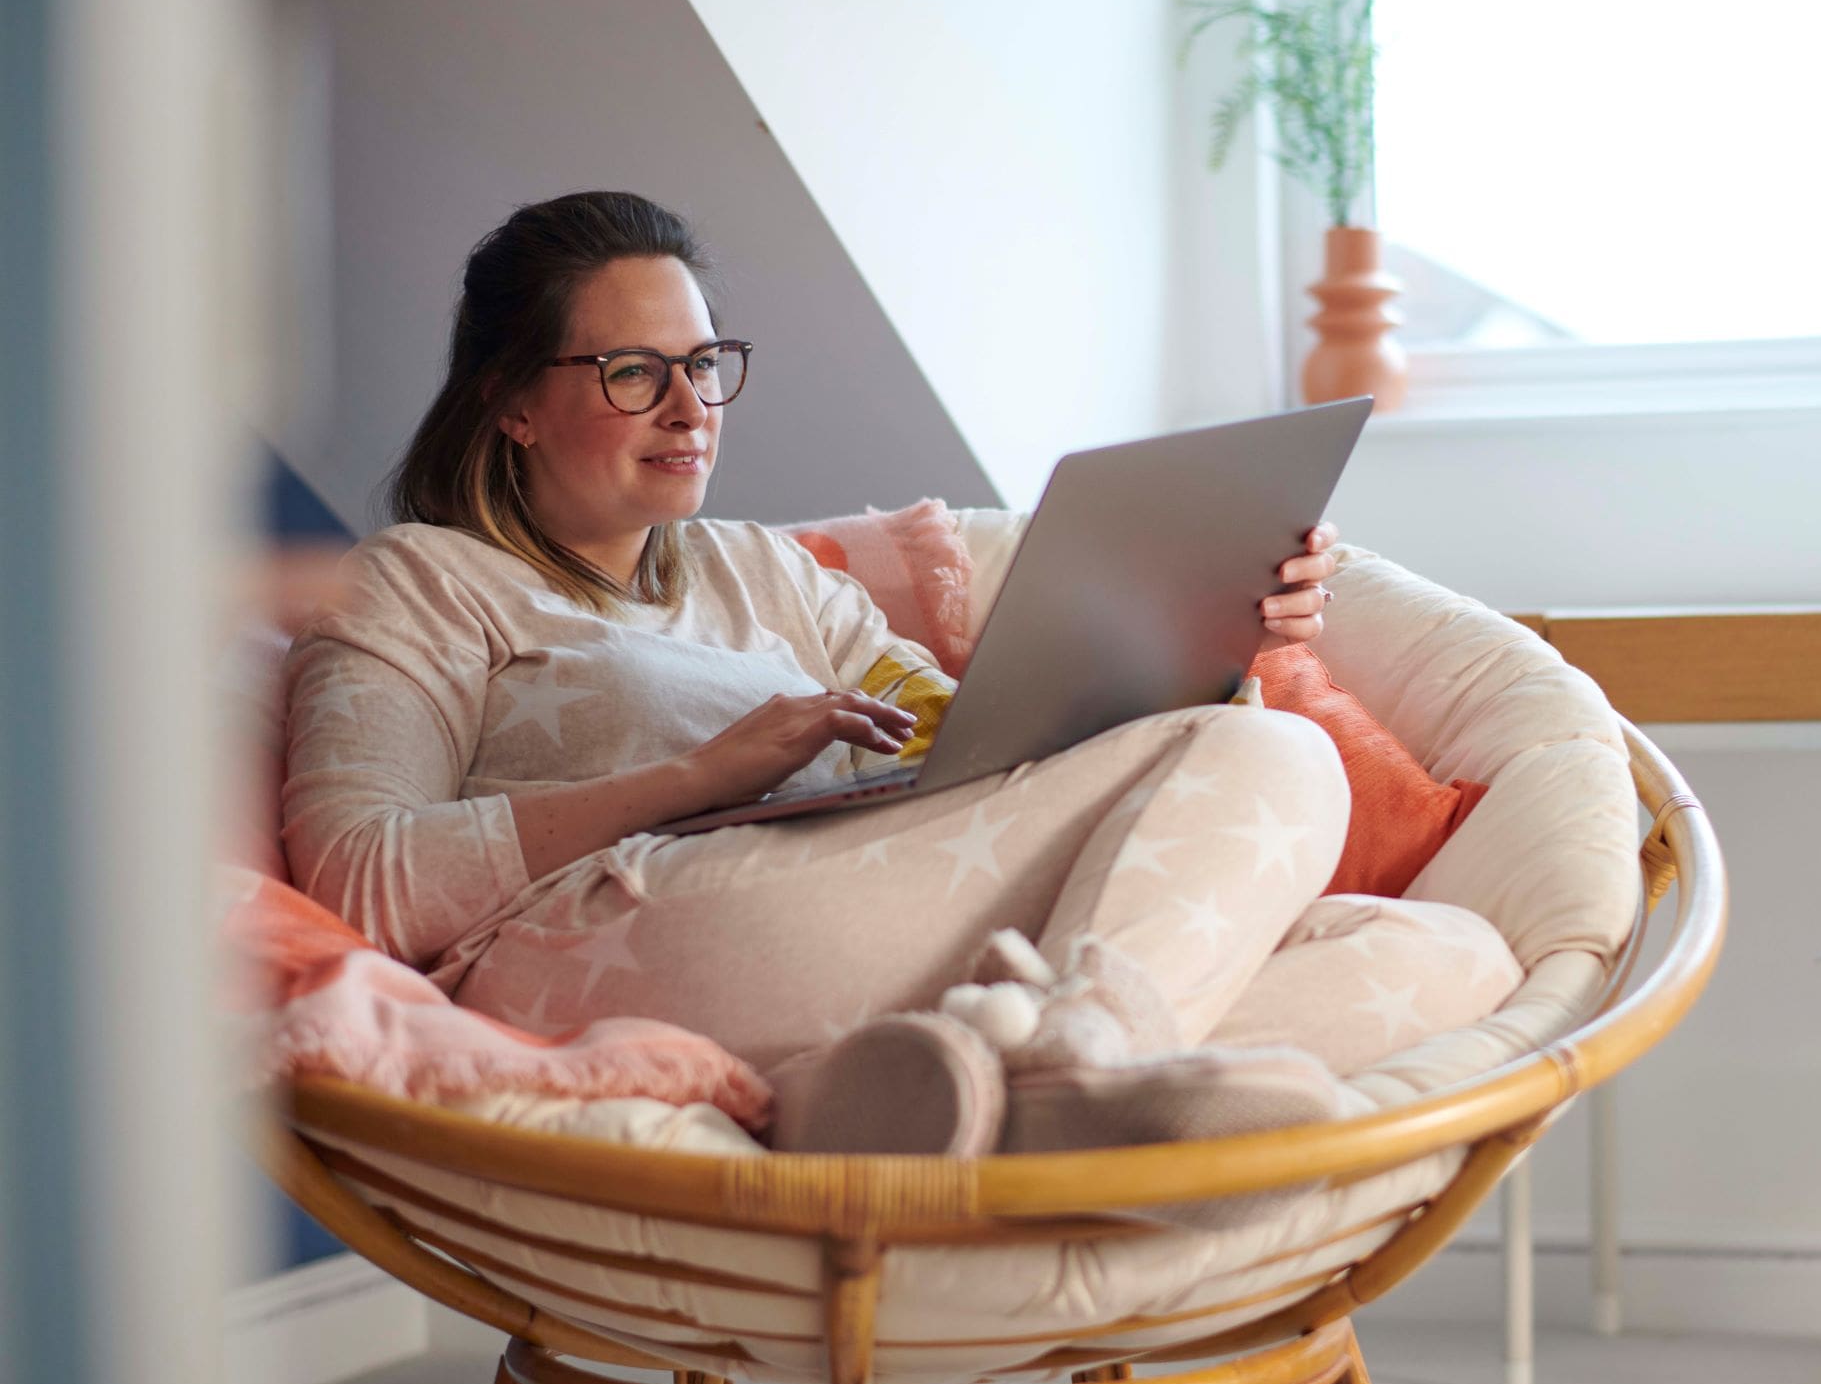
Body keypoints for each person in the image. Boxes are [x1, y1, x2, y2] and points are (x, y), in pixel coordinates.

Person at [281, 191, 1520, 1165]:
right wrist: (699, 776)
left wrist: (1207, 645)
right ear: (510, 401)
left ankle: (945, 1089)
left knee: (1454, 954)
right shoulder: (418, 580)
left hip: (884, 904)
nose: (691, 407)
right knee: (1276, 753)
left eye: (706, 364)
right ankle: (1084, 1053)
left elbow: (972, 745)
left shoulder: (766, 570)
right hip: (629, 931)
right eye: (634, 372)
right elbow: (359, 877)